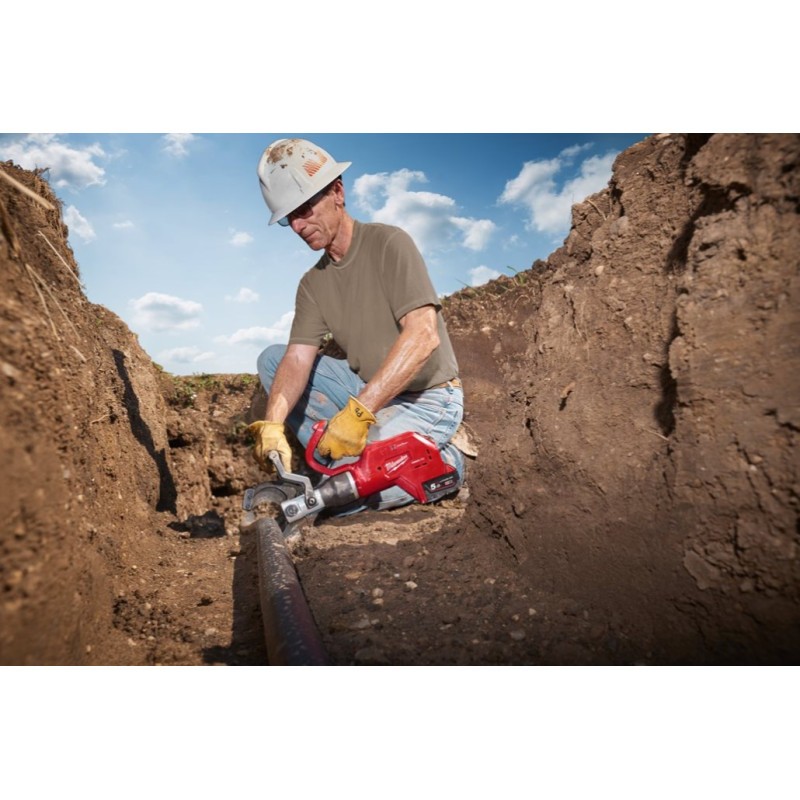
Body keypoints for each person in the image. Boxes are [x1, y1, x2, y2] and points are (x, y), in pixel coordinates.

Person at [247, 138, 465, 514]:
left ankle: (446, 463)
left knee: (348, 488)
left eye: (304, 209)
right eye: (288, 218)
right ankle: (340, 467)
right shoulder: (313, 284)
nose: (298, 225)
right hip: (368, 388)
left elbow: (422, 334)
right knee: (272, 359)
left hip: (429, 397)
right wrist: (273, 425)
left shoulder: (389, 243)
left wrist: (359, 414)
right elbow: (296, 360)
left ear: (337, 192)